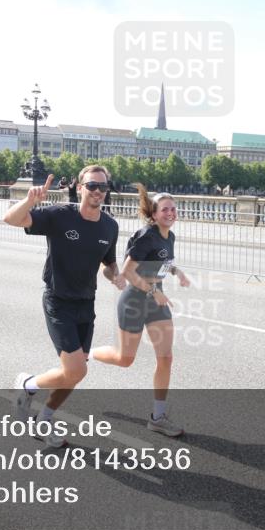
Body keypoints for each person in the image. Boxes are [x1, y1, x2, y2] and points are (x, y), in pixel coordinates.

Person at [4, 165, 125, 447]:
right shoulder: (60, 216)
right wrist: (29, 201)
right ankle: (28, 385)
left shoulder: (110, 225)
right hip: (58, 301)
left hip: (86, 303)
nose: (97, 191)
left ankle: (44, 419)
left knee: (74, 373)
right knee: (76, 371)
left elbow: (108, 265)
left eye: (102, 187)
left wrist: (116, 277)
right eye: (92, 186)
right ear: (80, 188)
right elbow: (11, 219)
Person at [92, 184, 190, 437]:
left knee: (166, 358)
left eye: (173, 209)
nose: (171, 213)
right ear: (154, 214)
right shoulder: (146, 234)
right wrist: (154, 291)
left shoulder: (170, 236)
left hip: (156, 303)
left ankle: (158, 417)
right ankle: (89, 354)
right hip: (135, 301)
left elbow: (162, 262)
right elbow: (127, 272)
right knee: (125, 359)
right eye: (165, 209)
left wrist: (177, 273)